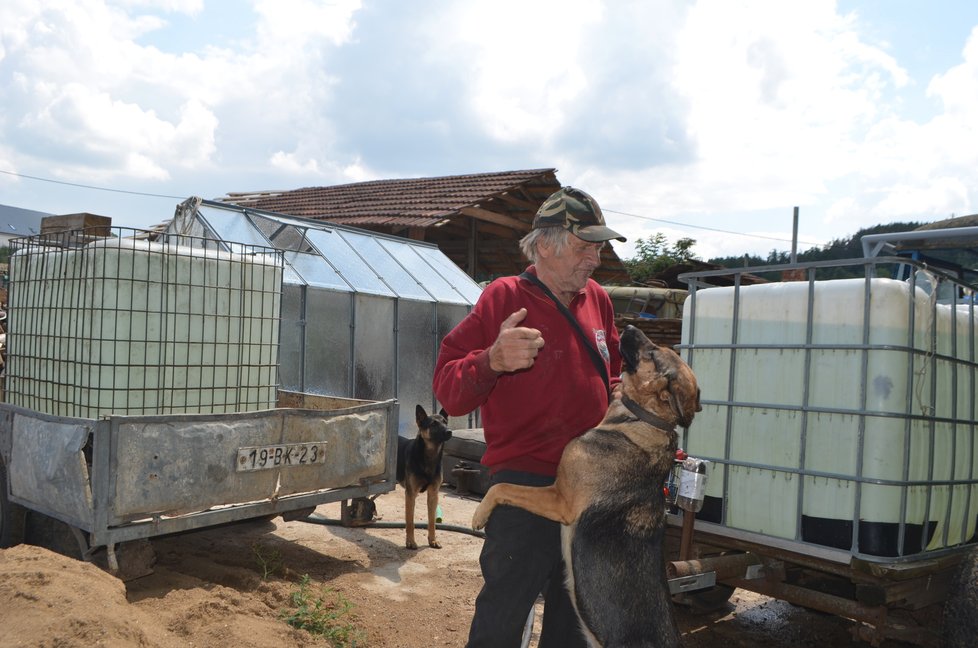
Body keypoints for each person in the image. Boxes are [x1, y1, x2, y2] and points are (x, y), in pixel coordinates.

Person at [433, 186, 626, 648]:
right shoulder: (503, 297)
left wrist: (624, 396)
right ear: (544, 245)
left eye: (597, 249)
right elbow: (447, 388)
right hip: (526, 485)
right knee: (504, 613)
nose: (594, 260)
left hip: (591, 485)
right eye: (584, 248)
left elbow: (614, 369)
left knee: (576, 620)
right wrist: (492, 360)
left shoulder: (598, 299)